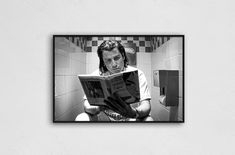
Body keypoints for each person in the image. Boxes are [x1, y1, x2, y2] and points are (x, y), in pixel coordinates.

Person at [76, 40, 153, 121]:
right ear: (103, 61)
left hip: (131, 117)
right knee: (81, 118)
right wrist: (98, 108)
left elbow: (146, 105)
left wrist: (134, 113)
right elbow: (86, 105)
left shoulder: (138, 74)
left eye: (116, 58)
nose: (114, 64)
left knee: (149, 120)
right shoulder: (95, 76)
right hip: (105, 117)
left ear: (123, 56)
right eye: (108, 60)